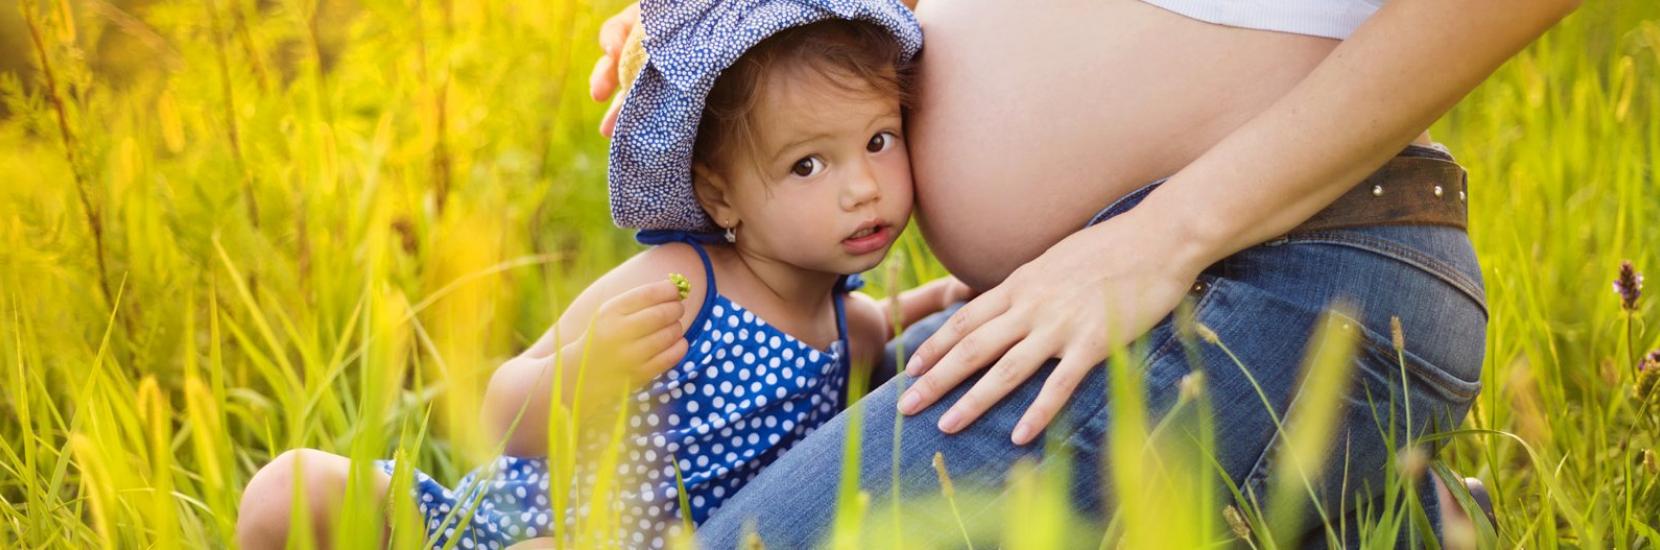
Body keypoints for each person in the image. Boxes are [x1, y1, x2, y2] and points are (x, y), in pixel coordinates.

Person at [583, 0, 1579, 547]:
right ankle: (1387, 526)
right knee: (757, 460)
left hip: (1277, 264)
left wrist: (1165, 235)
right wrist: (758, 31)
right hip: (1141, 274)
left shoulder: (1186, 242)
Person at [234, 1, 970, 547]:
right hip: (506, 524)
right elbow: (497, 414)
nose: (862, 188)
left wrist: (957, 290)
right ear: (720, 195)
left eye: (879, 140)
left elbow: (891, 319)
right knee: (287, 490)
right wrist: (586, 372)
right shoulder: (683, 284)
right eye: (807, 164)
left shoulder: (850, 329)